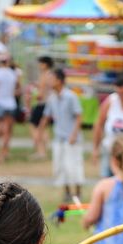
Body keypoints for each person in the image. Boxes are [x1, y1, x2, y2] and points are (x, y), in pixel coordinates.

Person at [39, 68, 84, 202]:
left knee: (74, 166)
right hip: (59, 137)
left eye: (51, 79)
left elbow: (79, 116)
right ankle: (67, 193)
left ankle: (77, 193)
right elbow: (46, 116)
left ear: (59, 80)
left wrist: (74, 134)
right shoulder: (52, 98)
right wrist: (40, 132)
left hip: (71, 138)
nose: (49, 82)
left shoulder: (70, 96)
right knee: (61, 166)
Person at [92, 76, 123, 178]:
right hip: (110, 149)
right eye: (119, 93)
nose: (122, 96)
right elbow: (99, 124)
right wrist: (96, 148)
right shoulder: (111, 101)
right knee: (107, 179)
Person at [28, 56, 54, 161]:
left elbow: (41, 94)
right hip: (48, 104)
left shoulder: (44, 75)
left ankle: (40, 150)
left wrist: (32, 95)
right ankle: (44, 150)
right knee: (44, 128)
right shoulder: (52, 75)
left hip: (42, 104)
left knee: (35, 127)